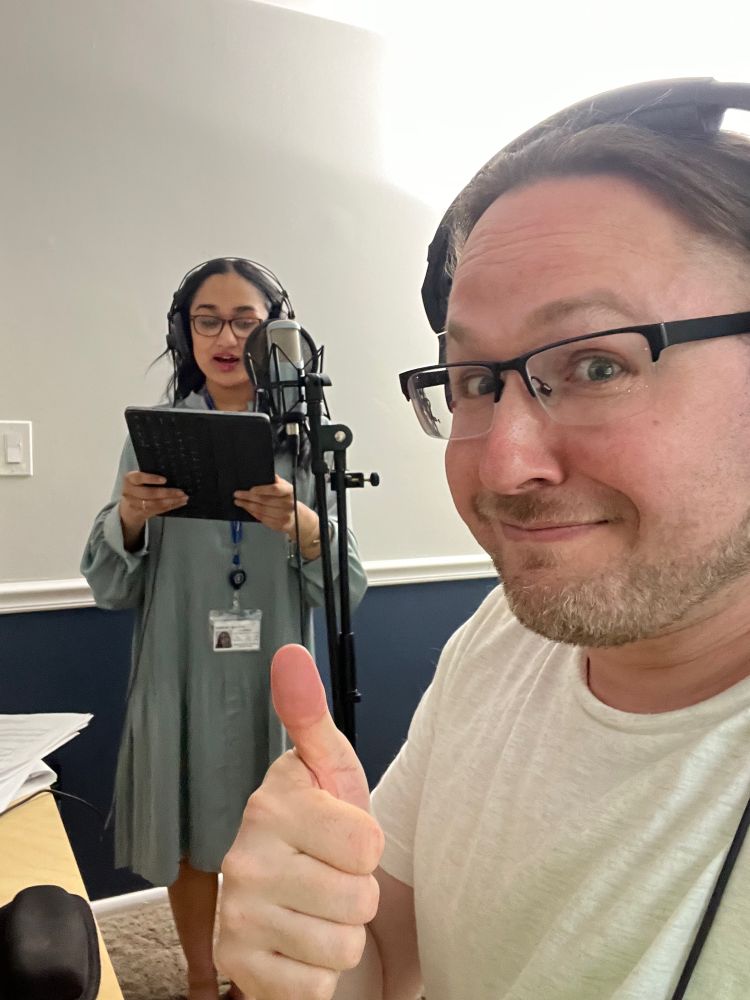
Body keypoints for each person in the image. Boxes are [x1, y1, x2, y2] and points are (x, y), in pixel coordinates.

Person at [215, 82, 750, 999]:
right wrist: (300, 953)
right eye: (471, 380)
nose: (501, 469)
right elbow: (383, 963)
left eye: (595, 364)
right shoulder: (501, 640)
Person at [81, 256, 367, 1000]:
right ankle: (202, 980)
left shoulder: (307, 443)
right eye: (207, 318)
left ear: (277, 333)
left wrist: (303, 525)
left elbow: (348, 587)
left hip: (275, 671)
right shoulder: (158, 437)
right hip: (182, 665)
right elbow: (111, 580)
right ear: (186, 331)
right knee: (188, 832)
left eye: (245, 319)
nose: (225, 335)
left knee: (274, 833)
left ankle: (255, 975)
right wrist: (133, 518)